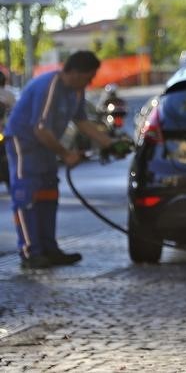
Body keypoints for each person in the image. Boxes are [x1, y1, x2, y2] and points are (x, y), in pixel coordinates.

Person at [4, 51, 115, 269]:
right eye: (88, 76)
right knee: (26, 195)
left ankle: (48, 249)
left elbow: (82, 121)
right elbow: (40, 128)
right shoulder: (50, 86)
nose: (90, 82)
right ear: (73, 72)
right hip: (24, 142)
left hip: (45, 143)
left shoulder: (76, 91)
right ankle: (30, 252)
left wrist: (109, 143)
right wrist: (66, 154)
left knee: (47, 194)